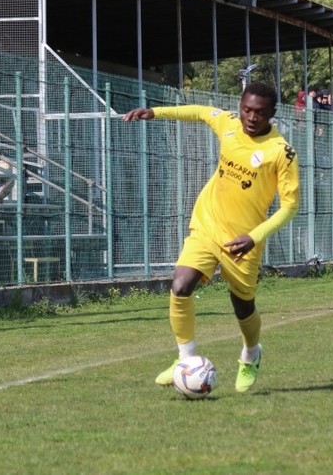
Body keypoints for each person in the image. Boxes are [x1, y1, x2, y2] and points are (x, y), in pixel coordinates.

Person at [122, 82, 299, 393]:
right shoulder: (228, 124)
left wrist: (254, 237)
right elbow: (201, 112)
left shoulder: (281, 152)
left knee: (242, 305)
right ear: (240, 107)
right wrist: (155, 112)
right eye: (246, 109)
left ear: (273, 113)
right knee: (181, 286)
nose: (251, 117)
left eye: (259, 112)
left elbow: (289, 206)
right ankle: (185, 360)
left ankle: (251, 354)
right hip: (207, 225)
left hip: (242, 242)